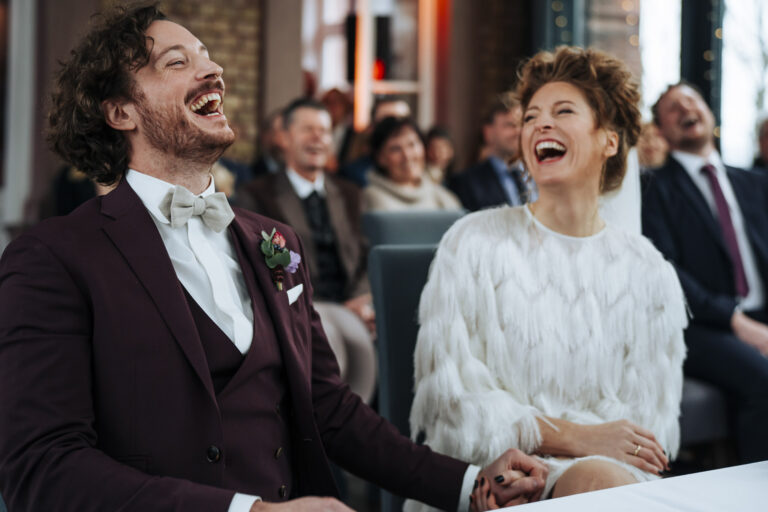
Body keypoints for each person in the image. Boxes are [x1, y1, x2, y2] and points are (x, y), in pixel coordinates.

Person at [0, 5, 548, 511]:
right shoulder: (53, 258)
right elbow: (42, 468)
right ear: (120, 111)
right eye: (178, 61)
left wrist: (467, 483)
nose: (212, 70)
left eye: (208, 57)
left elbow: (331, 410)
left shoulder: (275, 243)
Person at [408, 46, 688, 512]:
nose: (540, 124)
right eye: (531, 116)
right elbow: (452, 405)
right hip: (494, 474)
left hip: (610, 477)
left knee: (601, 482)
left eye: (563, 112)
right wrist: (574, 437)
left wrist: (588, 456)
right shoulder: (474, 242)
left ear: (610, 141)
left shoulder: (648, 269)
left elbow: (646, 432)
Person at [641, 82, 768, 463]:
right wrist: (735, 320)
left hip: (759, 312)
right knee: (764, 381)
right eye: (672, 108)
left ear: (709, 114)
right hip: (700, 324)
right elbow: (665, 269)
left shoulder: (754, 182)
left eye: (691, 101)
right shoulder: (654, 188)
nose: (685, 109)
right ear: (661, 130)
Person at [238, 98, 377, 405]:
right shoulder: (257, 196)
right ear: (284, 138)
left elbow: (365, 257)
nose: (318, 138)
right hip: (300, 306)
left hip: (351, 305)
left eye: (325, 131)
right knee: (330, 342)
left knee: (371, 343)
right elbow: (264, 266)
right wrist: (315, 305)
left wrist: (361, 299)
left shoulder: (351, 194)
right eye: (308, 130)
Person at [449, 93, 533, 211]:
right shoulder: (466, 184)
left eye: (522, 124)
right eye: (510, 125)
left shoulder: (537, 176)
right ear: (488, 132)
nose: (518, 131)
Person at [363, 116, 462, 212]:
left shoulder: (444, 199)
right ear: (380, 158)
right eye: (396, 149)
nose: (407, 156)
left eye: (412, 144)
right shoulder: (370, 200)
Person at [338, 95, 412, 187]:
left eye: (403, 121)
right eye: (387, 123)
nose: (397, 129)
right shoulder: (354, 176)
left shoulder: (422, 170)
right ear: (372, 127)